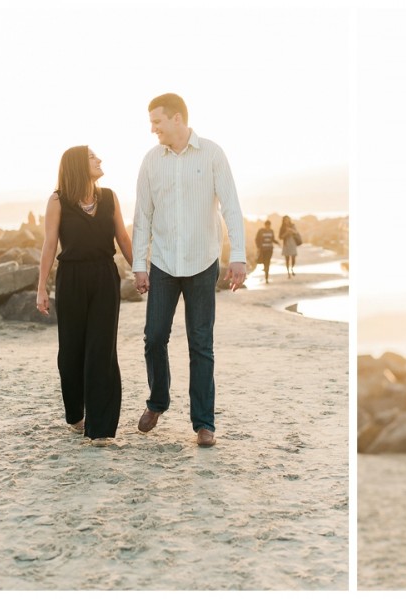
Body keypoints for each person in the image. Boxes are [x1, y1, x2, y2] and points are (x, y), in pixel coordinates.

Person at [132, 93, 246, 448]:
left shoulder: (211, 153)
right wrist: (139, 264)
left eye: (157, 121)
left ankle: (204, 424)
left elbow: (231, 206)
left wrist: (238, 255)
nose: (152, 129)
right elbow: (142, 216)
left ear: (177, 119)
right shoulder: (151, 161)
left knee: (201, 344)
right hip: (163, 263)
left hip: (202, 263)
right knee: (154, 337)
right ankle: (158, 402)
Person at [36, 146, 133, 447]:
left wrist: (142, 271)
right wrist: (41, 287)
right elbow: (50, 245)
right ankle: (76, 413)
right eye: (92, 157)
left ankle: (101, 428)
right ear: (78, 165)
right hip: (72, 278)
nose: (100, 160)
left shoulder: (110, 197)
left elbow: (123, 237)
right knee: (71, 353)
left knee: (101, 350)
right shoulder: (58, 201)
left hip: (105, 275)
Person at [255, 219, 279, 284]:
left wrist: (277, 242)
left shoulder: (271, 231)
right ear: (265, 225)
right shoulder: (261, 231)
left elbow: (273, 239)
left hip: (269, 249)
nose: (268, 226)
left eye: (269, 225)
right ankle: (265, 270)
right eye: (267, 225)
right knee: (264, 262)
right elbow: (257, 239)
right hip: (262, 249)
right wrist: (258, 247)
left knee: (267, 262)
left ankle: (266, 278)